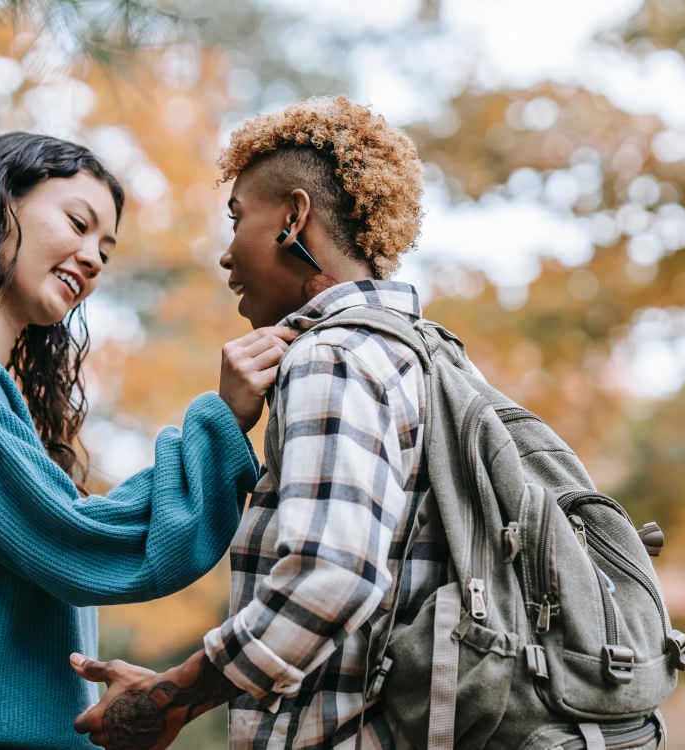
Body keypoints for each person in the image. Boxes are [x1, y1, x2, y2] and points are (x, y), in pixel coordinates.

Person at [0, 132, 295, 750]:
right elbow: (79, 542)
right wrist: (221, 423)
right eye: (77, 222)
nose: (93, 257)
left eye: (106, 249)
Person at [71, 96, 440, 750]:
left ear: (293, 217)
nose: (224, 255)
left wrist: (175, 697)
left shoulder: (333, 358)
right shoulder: (421, 359)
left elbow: (332, 576)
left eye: (236, 217)